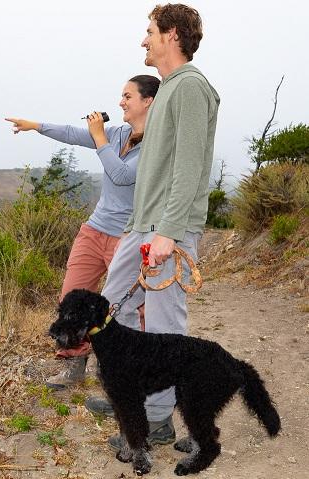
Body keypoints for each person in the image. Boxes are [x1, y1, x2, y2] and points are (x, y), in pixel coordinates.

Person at [85, 3, 220, 448]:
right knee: (111, 307)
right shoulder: (168, 90)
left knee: (163, 327)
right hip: (142, 225)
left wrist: (168, 231)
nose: (143, 39)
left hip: (167, 228)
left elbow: (189, 166)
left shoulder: (191, 89)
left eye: (149, 31)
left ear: (172, 34)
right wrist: (143, 226)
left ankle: (158, 420)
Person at [5, 74, 160, 389]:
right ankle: (74, 364)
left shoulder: (156, 146)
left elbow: (119, 175)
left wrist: (99, 137)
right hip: (94, 230)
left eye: (128, 96)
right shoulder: (116, 133)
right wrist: (35, 125)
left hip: (128, 237)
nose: (121, 102)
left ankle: (127, 375)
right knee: (71, 299)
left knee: (124, 309)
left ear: (148, 102)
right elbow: (73, 134)